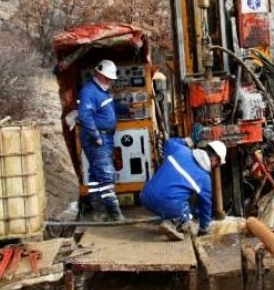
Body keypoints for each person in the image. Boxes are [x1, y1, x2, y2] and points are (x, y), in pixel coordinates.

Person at [140, 137, 227, 241]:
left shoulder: (181, 150)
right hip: (167, 203)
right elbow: (206, 206)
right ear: (214, 160)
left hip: (146, 196)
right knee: (190, 214)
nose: (215, 167)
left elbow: (168, 142)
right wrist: (204, 228)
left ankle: (169, 216)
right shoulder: (204, 178)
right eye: (217, 165)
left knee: (182, 203)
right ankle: (173, 222)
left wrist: (189, 140)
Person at [78, 59, 129, 222]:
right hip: (96, 138)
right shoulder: (89, 91)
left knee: (95, 174)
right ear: (98, 74)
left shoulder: (102, 91)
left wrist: (126, 109)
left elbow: (110, 107)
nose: (109, 81)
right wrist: (96, 136)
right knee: (107, 174)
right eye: (106, 78)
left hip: (105, 136)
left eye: (110, 79)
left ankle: (98, 209)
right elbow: (85, 115)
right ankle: (114, 213)